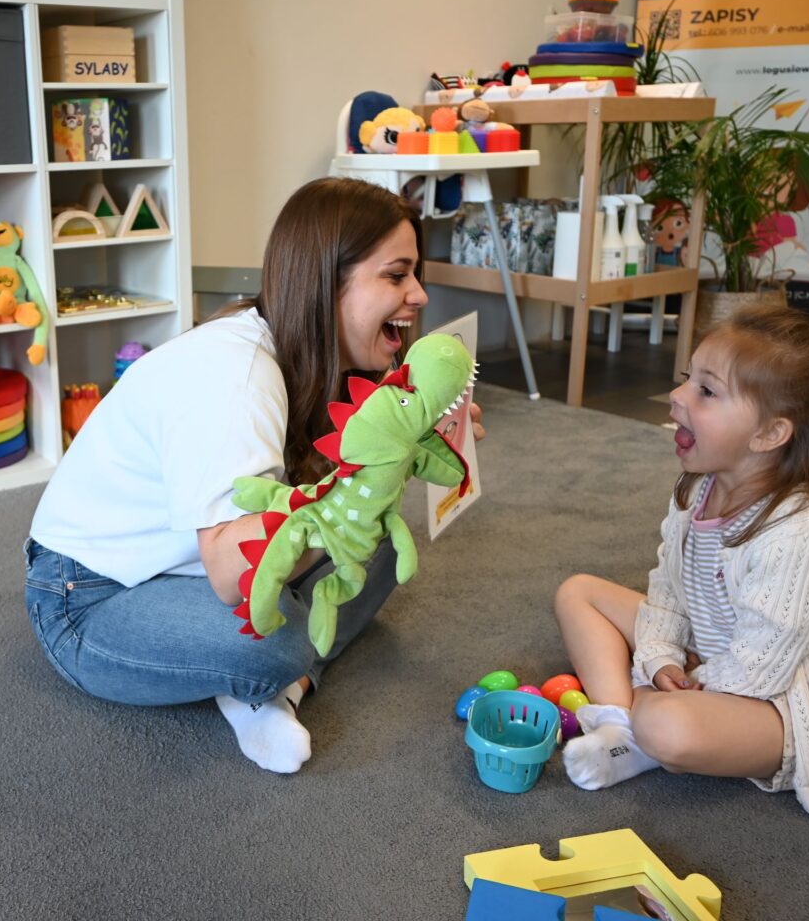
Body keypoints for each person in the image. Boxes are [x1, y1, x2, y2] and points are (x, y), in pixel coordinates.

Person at [25, 176, 484, 774]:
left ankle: (278, 693)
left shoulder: (309, 354)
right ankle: (272, 677)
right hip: (87, 597)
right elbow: (232, 573)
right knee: (278, 644)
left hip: (186, 562)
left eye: (414, 274)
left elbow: (314, 494)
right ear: (326, 283)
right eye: (396, 276)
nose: (418, 294)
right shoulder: (236, 376)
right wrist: (375, 471)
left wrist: (404, 447)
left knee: (381, 546)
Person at [554, 304, 809, 816]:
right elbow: (668, 592)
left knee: (667, 725)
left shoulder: (805, 534)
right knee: (578, 593)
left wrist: (690, 682)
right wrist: (661, 658)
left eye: (706, 391)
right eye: (687, 378)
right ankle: (619, 728)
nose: (677, 396)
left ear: (769, 434)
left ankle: (642, 731)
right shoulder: (698, 490)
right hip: (722, 650)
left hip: (796, 698)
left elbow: (761, 670)